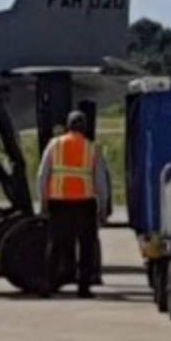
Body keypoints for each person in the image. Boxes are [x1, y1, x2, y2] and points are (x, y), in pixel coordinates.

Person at [37, 110, 110, 299]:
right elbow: (101, 182)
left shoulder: (55, 145)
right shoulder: (92, 148)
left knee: (55, 245)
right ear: (85, 127)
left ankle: (47, 285)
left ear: (68, 125)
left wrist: (43, 203)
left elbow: (42, 177)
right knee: (86, 247)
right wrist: (102, 208)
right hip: (84, 204)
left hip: (59, 203)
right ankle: (83, 288)